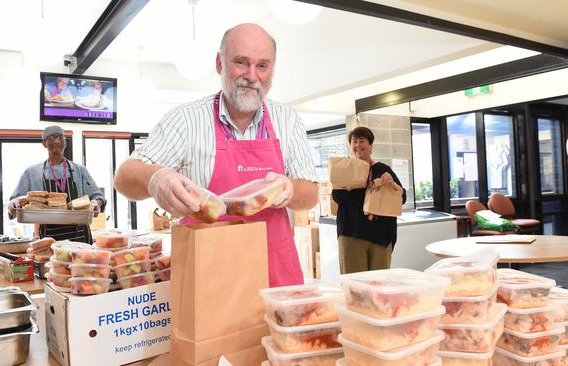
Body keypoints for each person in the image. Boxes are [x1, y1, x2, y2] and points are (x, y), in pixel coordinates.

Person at [114, 23, 318, 287]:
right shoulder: (186, 120)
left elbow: (310, 193)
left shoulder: (287, 120)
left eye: (262, 66)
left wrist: (290, 188)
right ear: (220, 64)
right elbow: (123, 177)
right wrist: (155, 177)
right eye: (241, 62)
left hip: (275, 274)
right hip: (208, 277)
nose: (252, 76)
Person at [7, 125, 106, 244]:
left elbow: (97, 196)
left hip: (80, 236)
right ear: (44, 143)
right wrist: (13, 204)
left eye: (60, 137)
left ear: (65, 143)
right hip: (50, 239)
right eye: (51, 138)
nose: (56, 141)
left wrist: (96, 203)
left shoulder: (80, 170)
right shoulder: (32, 172)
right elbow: (15, 200)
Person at [332, 127, 406, 274]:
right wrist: (348, 185)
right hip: (351, 233)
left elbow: (402, 198)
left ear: (371, 146)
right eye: (354, 142)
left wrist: (391, 184)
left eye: (362, 141)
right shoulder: (345, 168)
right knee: (355, 284)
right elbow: (337, 198)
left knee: (379, 284)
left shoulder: (383, 169)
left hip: (380, 236)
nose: (358, 145)